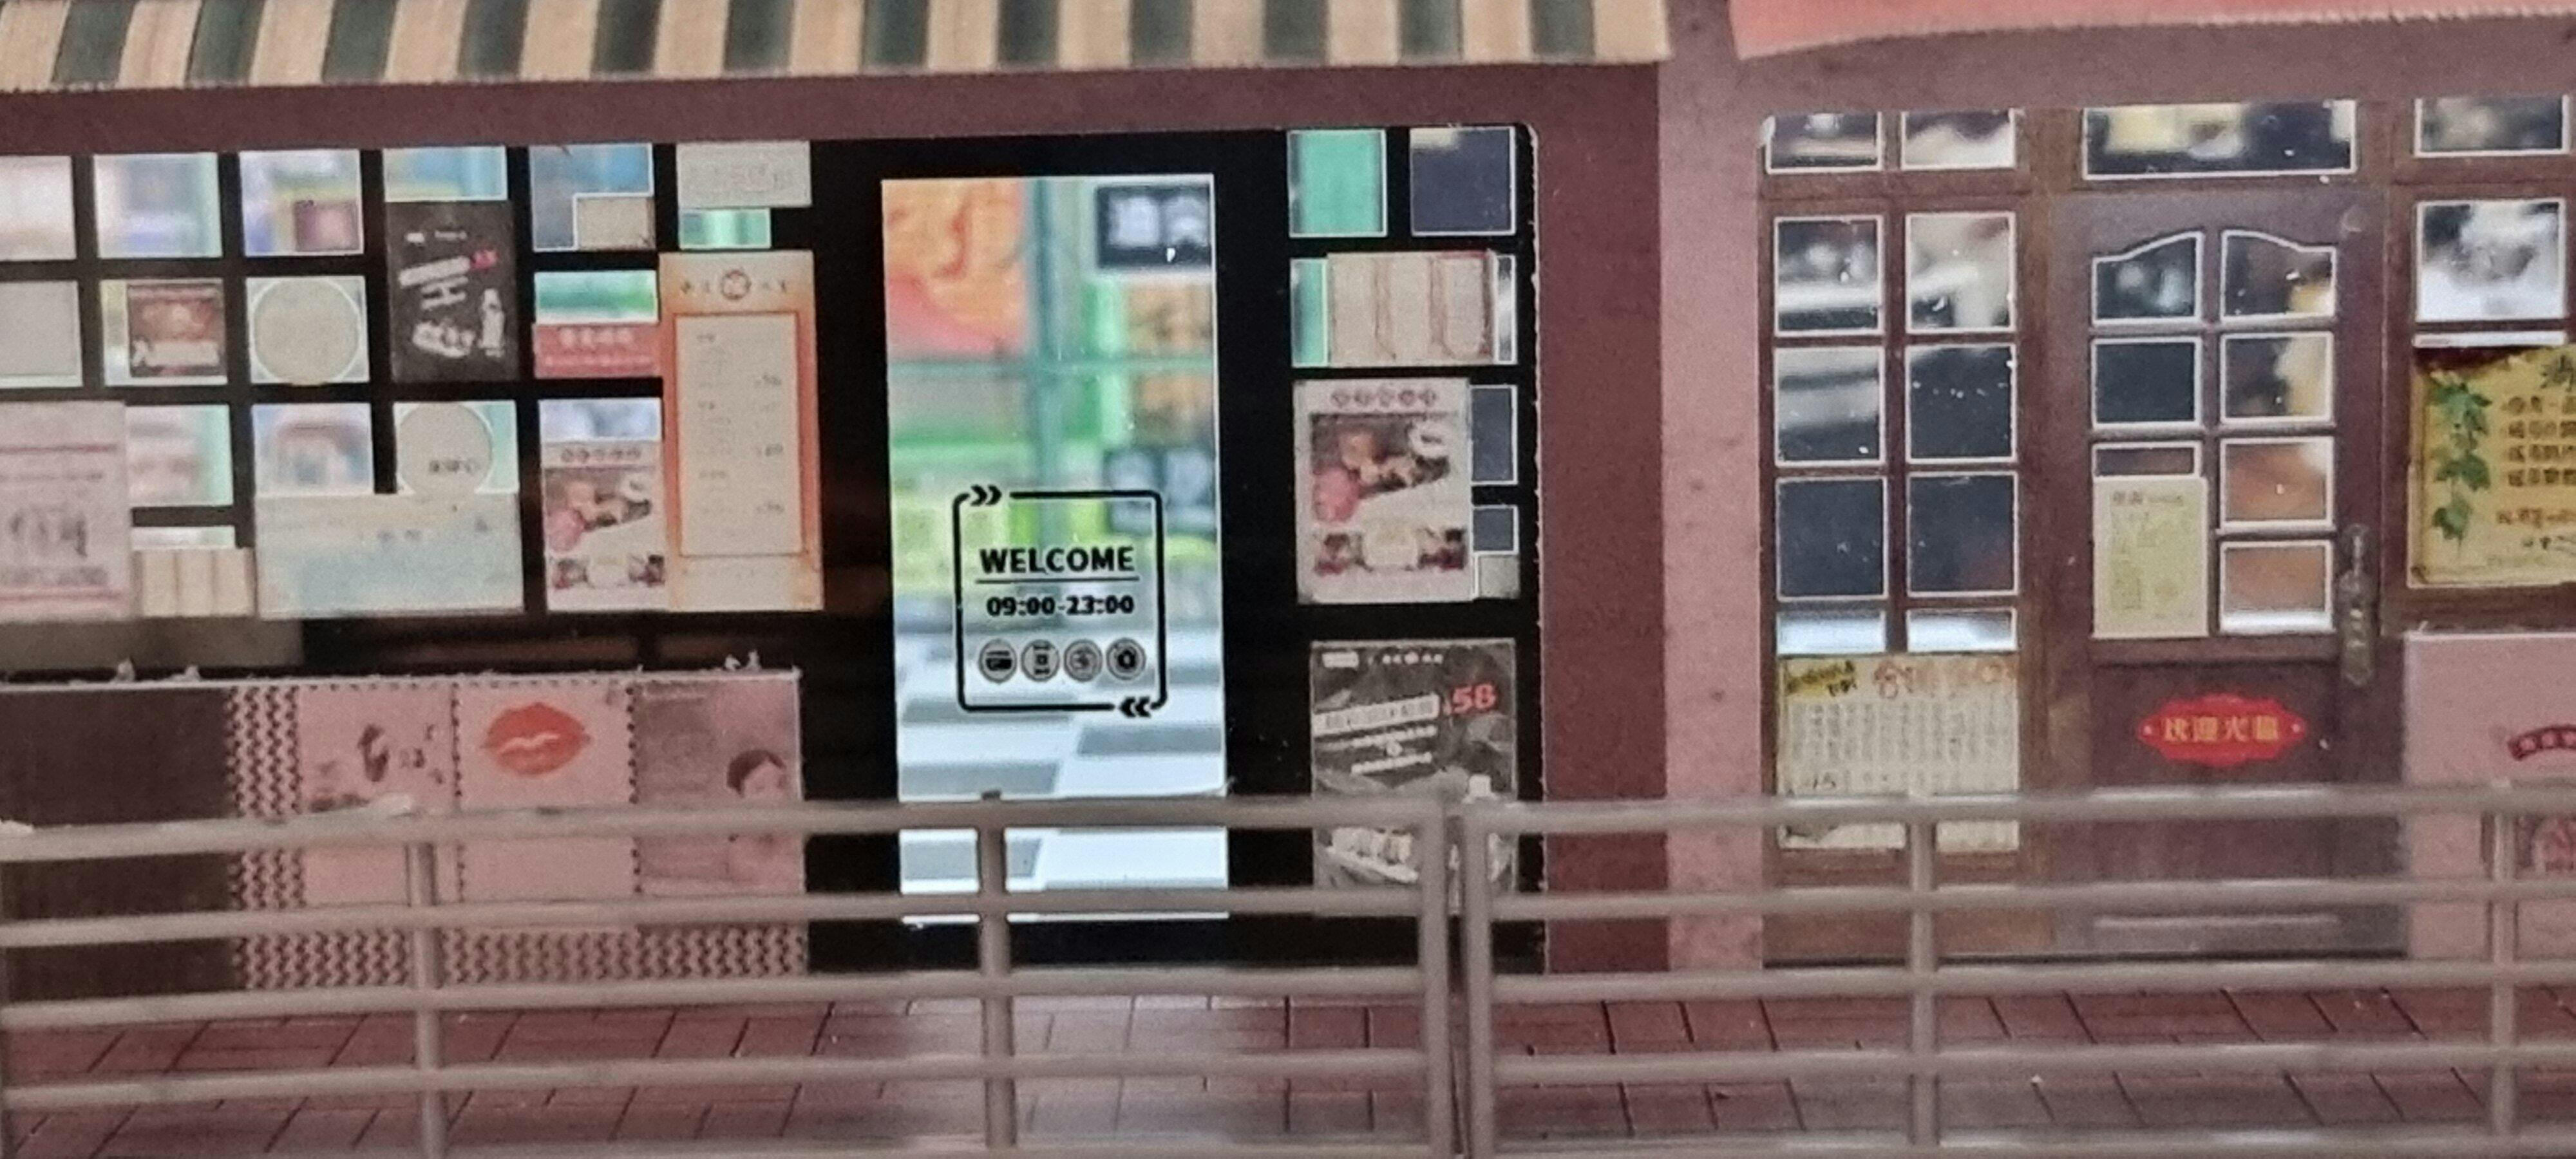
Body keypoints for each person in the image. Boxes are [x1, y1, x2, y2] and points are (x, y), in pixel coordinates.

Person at [724, 749, 802, 890]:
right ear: (739, 798)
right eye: (759, 789)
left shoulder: (792, 836)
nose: (775, 795)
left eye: (780, 785)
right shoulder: (740, 853)